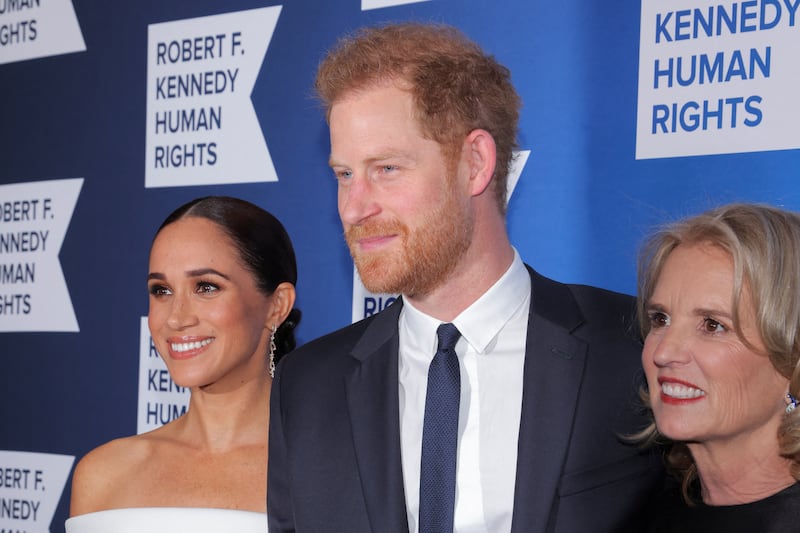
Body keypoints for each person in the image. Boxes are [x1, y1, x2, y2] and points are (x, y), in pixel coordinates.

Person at [268, 22, 663, 533]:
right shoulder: (307, 387)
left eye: (385, 168)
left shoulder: (634, 348)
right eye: (344, 174)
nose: (352, 207)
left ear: (475, 163)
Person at [67, 196, 301, 532]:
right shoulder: (103, 474)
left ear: (276, 306)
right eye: (161, 290)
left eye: (206, 287)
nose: (176, 319)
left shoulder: (330, 469)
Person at [636, 203, 800, 532]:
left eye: (712, 325)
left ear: (792, 356)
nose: (664, 352)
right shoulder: (637, 513)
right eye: (660, 319)